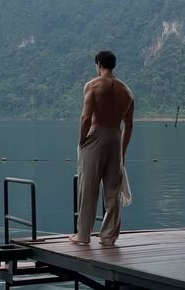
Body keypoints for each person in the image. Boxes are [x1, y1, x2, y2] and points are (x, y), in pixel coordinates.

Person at [70, 50, 134, 246]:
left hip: (96, 136)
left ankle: (83, 236)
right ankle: (108, 237)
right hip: (116, 136)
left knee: (88, 187)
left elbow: (85, 118)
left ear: (98, 65)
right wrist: (122, 151)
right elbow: (129, 125)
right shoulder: (127, 91)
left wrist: (82, 141)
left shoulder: (93, 85)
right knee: (113, 191)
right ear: (113, 65)